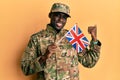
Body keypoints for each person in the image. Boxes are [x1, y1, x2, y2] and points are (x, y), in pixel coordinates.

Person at [21, 2, 101, 80]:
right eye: (57, 15)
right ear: (50, 15)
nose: (60, 20)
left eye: (64, 17)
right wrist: (44, 57)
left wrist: (94, 39)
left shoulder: (73, 36)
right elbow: (25, 68)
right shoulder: (37, 39)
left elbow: (89, 62)